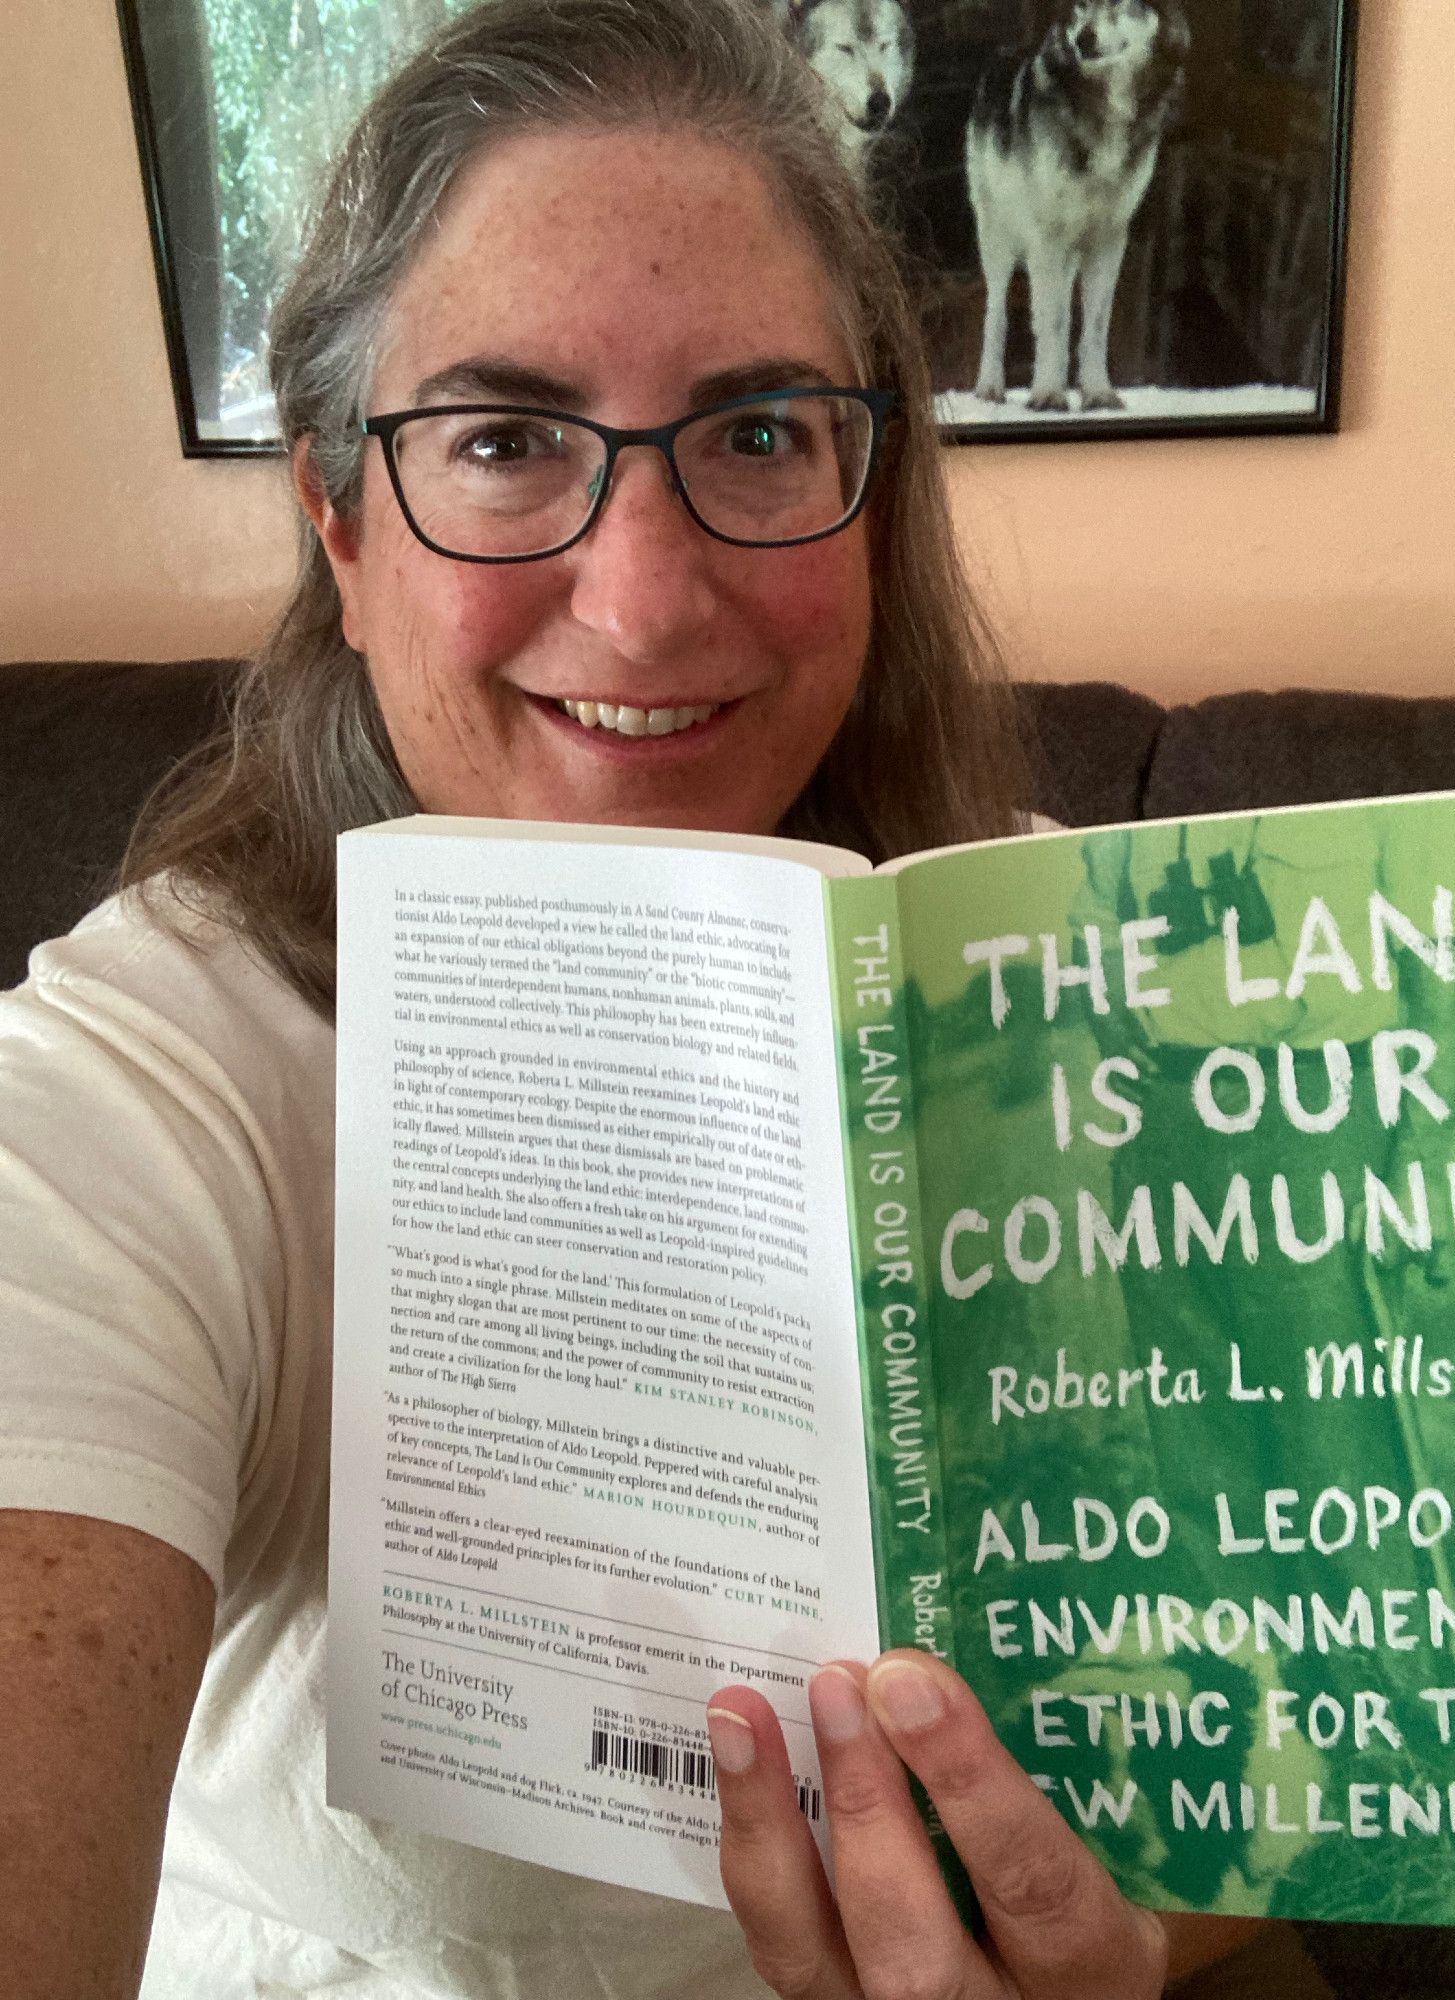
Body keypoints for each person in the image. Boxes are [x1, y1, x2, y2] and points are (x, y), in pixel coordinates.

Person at [0, 0, 1261, 1992]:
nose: (645, 597)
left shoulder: (1063, 978)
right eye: (503, 441)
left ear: (875, 487)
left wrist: (1145, 1915)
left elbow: (1260, 1743)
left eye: (760, 433)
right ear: (340, 516)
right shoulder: (155, 1084)